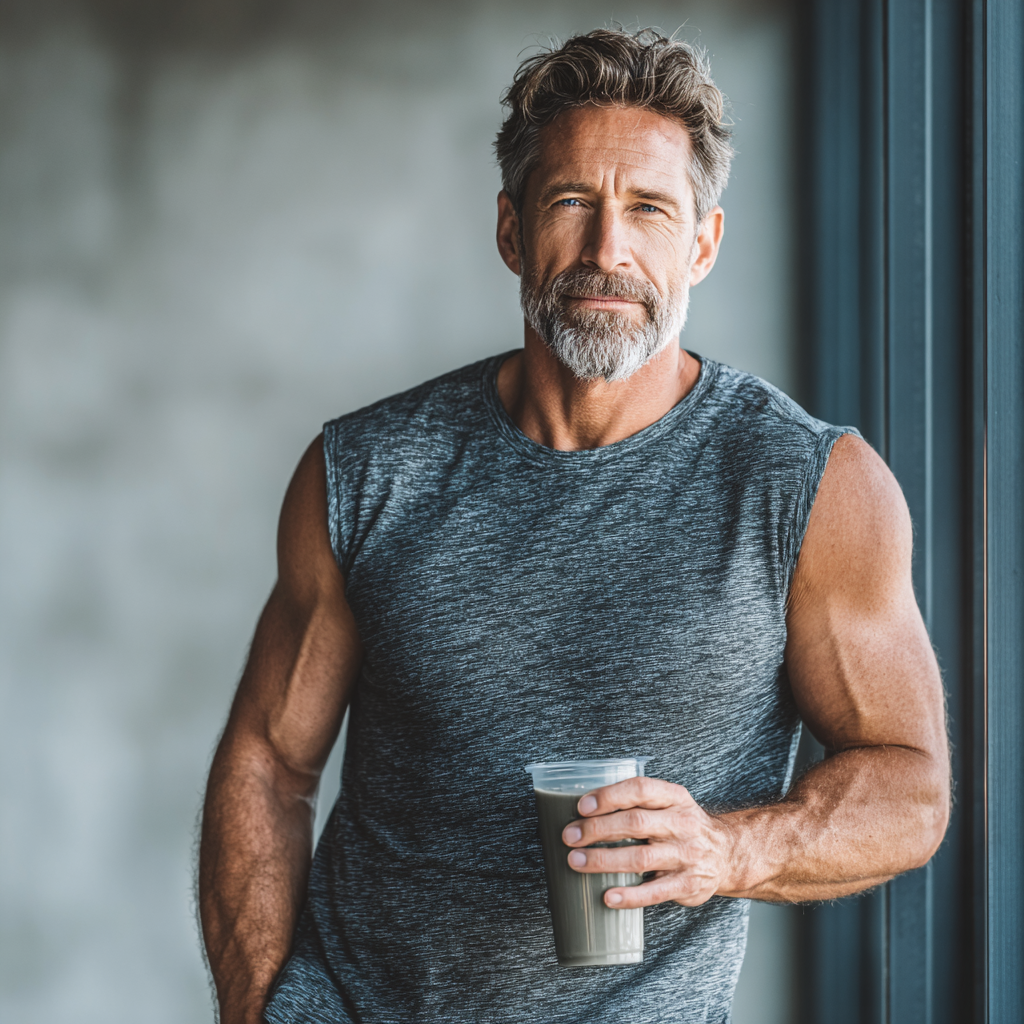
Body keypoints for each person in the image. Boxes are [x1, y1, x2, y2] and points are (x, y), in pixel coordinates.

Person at [198, 27, 949, 1024]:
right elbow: (266, 757)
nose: (607, 250)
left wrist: (726, 849)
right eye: (570, 204)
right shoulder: (369, 470)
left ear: (702, 242)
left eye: (647, 209)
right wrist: (263, 1009)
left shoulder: (807, 485)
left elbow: (910, 786)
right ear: (511, 231)